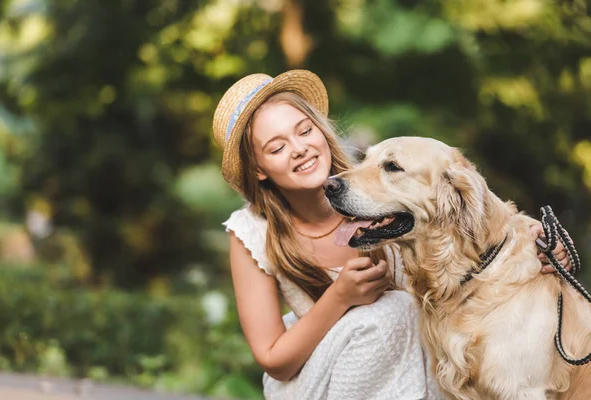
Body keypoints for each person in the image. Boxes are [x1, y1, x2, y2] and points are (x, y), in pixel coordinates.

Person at [212, 70, 572, 399]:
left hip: (413, 368)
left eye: (305, 130)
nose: (299, 147)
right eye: (276, 147)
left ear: (321, 130)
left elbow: (470, 220)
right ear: (258, 168)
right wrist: (340, 297)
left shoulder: (375, 188)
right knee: (394, 311)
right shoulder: (252, 232)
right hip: (316, 379)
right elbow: (274, 359)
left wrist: (534, 240)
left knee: (426, 323)